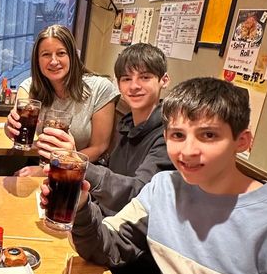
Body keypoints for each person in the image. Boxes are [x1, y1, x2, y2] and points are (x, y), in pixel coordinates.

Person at [50, 77, 267, 274]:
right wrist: (81, 208)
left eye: (208, 135)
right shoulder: (165, 187)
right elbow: (110, 247)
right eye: (177, 135)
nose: (188, 151)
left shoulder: (264, 217)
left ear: (242, 141)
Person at [39, 42, 173, 216]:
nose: (134, 86)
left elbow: (139, 193)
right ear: (118, 85)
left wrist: (76, 161)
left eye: (145, 77)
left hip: (127, 231)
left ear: (164, 80)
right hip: (103, 218)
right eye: (126, 79)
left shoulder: (170, 136)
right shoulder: (128, 125)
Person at [5, 24, 118, 166]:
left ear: (72, 56)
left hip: (82, 172)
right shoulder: (30, 87)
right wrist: (10, 127)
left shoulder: (100, 88)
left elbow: (99, 148)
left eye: (61, 53)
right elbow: (17, 129)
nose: (53, 61)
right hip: (42, 164)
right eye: (46, 54)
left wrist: (53, 166)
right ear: (37, 60)